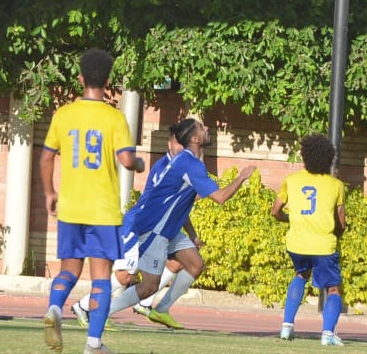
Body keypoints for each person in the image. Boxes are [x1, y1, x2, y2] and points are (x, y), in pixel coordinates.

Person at [107, 118, 256, 330]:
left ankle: (161, 309)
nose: (207, 128)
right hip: (154, 228)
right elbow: (220, 197)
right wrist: (242, 177)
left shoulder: (188, 162)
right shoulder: (189, 163)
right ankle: (102, 312)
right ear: (195, 138)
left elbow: (181, 202)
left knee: (195, 264)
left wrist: (192, 234)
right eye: (202, 127)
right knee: (148, 286)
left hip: (168, 228)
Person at [41, 49, 143, 354]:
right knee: (101, 278)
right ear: (108, 81)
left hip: (71, 207)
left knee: (69, 270)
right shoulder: (114, 117)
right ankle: (93, 344)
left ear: (81, 78)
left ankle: (55, 307)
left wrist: (49, 192)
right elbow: (127, 161)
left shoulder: (64, 114)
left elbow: (46, 157)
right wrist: (139, 164)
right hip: (102, 211)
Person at [69, 123, 188, 328]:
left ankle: (146, 303)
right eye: (178, 143)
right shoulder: (165, 168)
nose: (182, 148)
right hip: (138, 226)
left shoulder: (181, 168)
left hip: (157, 230)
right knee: (125, 276)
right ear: (170, 144)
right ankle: (83, 306)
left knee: (178, 261)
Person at [270, 133, 347, 346]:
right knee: (333, 288)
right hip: (323, 245)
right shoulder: (336, 185)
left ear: (304, 156)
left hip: (296, 243)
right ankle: (328, 335)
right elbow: (341, 222)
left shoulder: (292, 180)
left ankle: (286, 326)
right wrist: (335, 234)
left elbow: (275, 211)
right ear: (329, 159)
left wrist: (290, 219)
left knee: (301, 274)